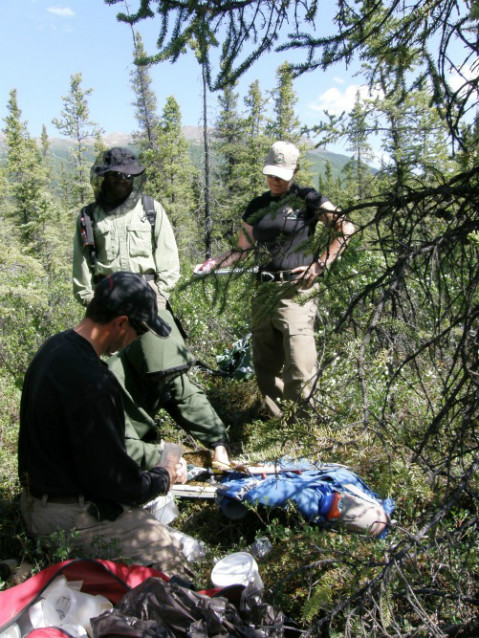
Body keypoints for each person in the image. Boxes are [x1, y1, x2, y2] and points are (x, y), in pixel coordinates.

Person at [18, 271, 189, 573]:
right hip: (65, 518)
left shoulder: (54, 348)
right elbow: (113, 482)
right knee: (170, 552)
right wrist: (163, 476)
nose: (136, 340)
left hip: (37, 503)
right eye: (140, 331)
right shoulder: (92, 381)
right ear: (121, 323)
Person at [72, 147, 230, 467]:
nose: (122, 181)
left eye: (128, 176)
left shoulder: (149, 209)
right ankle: (137, 455)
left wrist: (154, 301)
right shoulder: (88, 217)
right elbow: (82, 273)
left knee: (172, 374)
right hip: (108, 314)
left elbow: (169, 263)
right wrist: (97, 307)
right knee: (114, 383)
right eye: (116, 175)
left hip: (149, 306)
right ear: (103, 177)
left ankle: (218, 445)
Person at [195, 141, 355, 417]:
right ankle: (275, 425)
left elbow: (346, 228)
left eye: (281, 175)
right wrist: (214, 263)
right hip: (264, 290)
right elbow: (242, 249)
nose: (275, 180)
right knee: (265, 366)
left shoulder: (308, 199)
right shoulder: (257, 205)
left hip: (296, 290)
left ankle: (303, 431)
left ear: (294, 172)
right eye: (271, 174)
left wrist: (319, 265)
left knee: (300, 365)